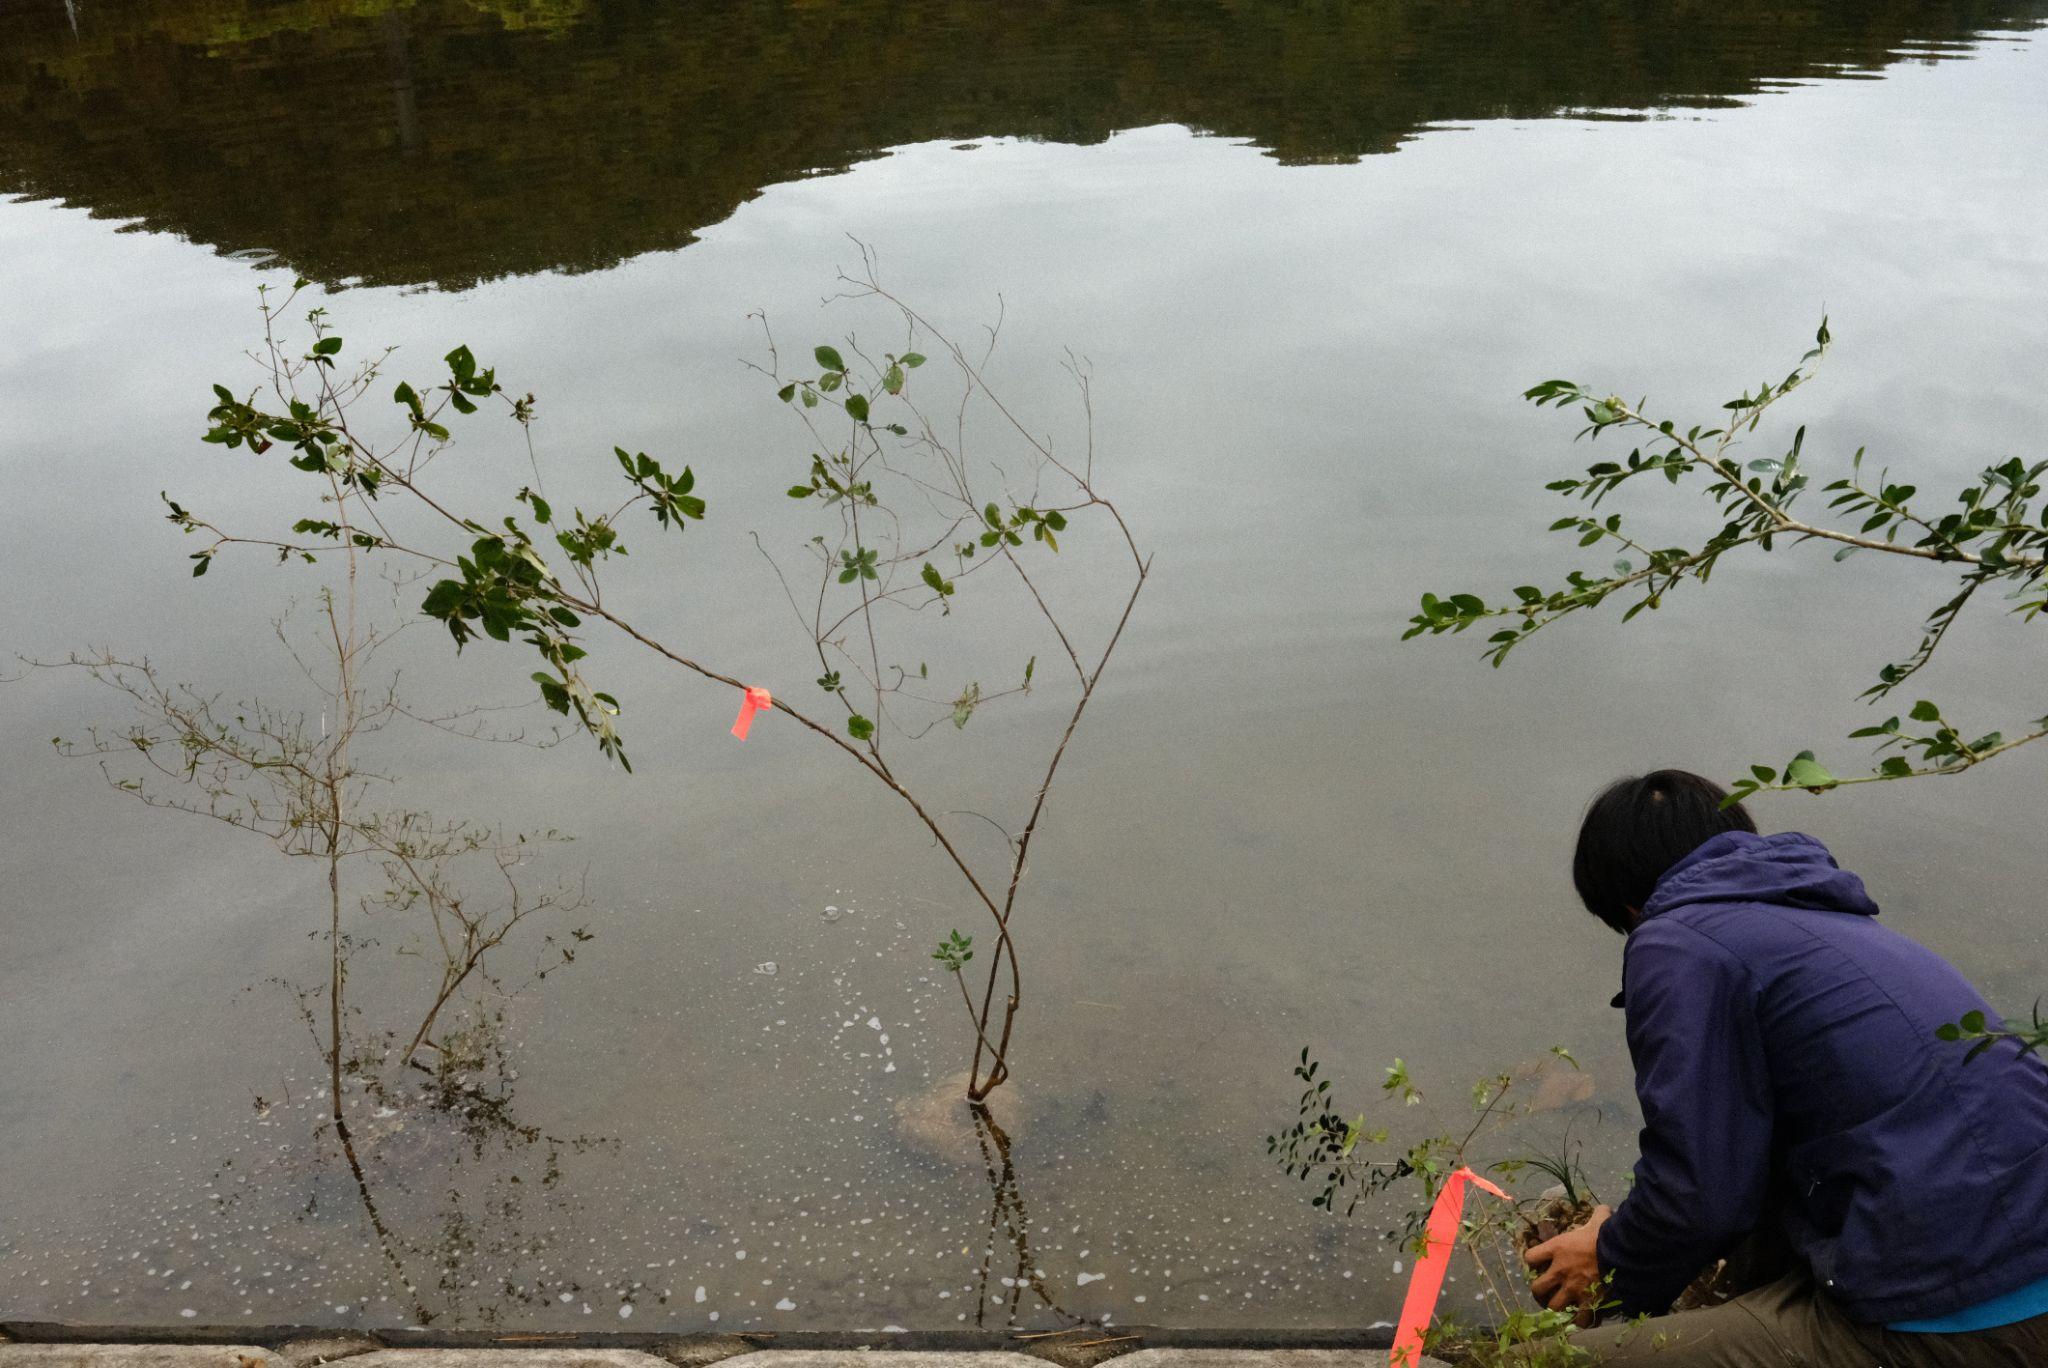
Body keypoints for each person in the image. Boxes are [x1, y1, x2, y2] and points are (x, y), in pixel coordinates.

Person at [1514, 770, 2048, 1366]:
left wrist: (1608, 1264)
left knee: (1534, 1362)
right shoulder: (1835, 926)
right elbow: (1742, 1172)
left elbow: (1700, 1195)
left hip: (1969, 1311)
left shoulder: (1676, 939)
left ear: (1627, 903)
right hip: (2001, 1251)